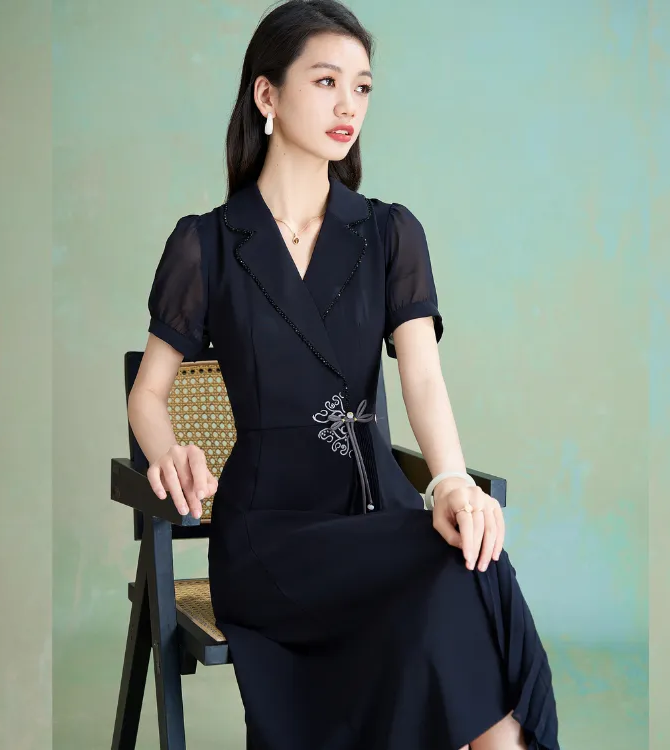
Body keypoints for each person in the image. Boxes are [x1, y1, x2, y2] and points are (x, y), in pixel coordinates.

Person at [128, 1, 559, 748]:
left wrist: (451, 481)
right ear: (267, 95)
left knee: (468, 552)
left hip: (377, 513)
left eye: (361, 88)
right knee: (463, 568)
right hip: (269, 538)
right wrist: (170, 453)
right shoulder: (207, 245)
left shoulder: (390, 233)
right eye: (326, 82)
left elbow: (423, 379)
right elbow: (149, 396)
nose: (348, 106)